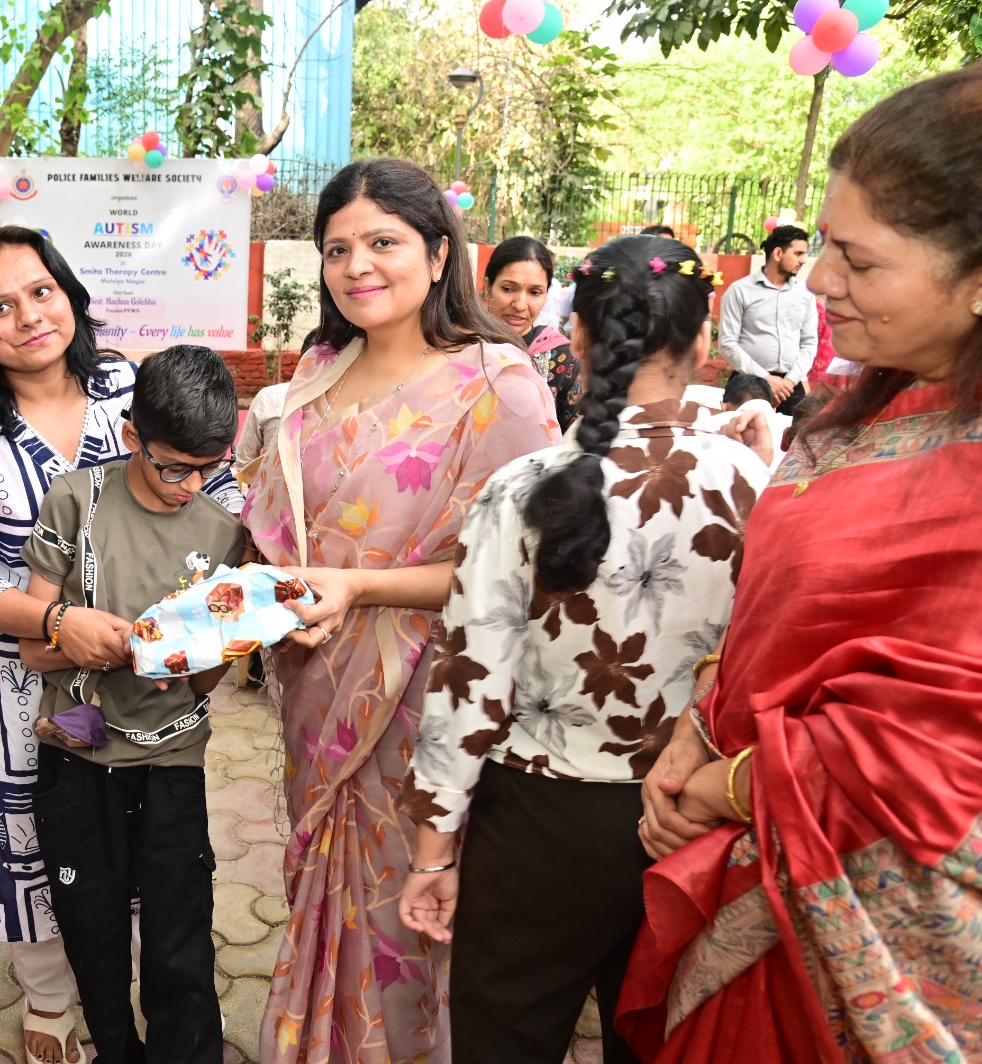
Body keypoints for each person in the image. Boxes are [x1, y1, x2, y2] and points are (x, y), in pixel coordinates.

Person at [623, 67, 982, 1061]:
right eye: (822, 243)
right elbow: (774, 612)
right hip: (747, 835)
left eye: (857, 259)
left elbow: (942, 749)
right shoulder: (866, 409)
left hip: (870, 912)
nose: (818, 279)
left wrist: (731, 787)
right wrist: (698, 726)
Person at [396, 235, 772, 1064]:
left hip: (537, 824)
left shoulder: (520, 490)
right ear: (705, 340)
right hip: (693, 817)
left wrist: (433, 850)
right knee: (665, 1040)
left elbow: (469, 681)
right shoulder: (759, 486)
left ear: (577, 338)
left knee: (504, 1039)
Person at [241, 158, 559, 1064]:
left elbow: (525, 569)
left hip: (426, 699)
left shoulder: (497, 383)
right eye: (337, 249)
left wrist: (362, 588)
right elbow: (278, 532)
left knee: (404, 910)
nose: (357, 266)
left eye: (382, 242)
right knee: (324, 879)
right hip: (317, 681)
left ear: (438, 252)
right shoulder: (318, 372)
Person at [0, 224, 239, 1064]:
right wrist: (59, 624)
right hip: (20, 674)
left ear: (70, 294)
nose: (30, 316)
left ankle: (150, 1001)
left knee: (151, 866)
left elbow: (219, 503)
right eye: (0, 306)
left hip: (153, 691)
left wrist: (196, 635)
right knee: (39, 849)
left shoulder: (127, 386)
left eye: (42, 291)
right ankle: (51, 998)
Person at [20, 344, 244, 1064]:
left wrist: (199, 655)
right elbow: (34, 648)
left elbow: (207, 683)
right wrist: (102, 644)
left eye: (207, 468)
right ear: (130, 436)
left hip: (173, 760)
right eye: (174, 467)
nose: (190, 485)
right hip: (78, 758)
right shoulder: (75, 502)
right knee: (95, 935)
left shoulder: (223, 534)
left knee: (181, 941)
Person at [483, 235, 583, 429]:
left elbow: (574, 436)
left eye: (535, 292)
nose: (520, 305)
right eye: (508, 289)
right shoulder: (458, 346)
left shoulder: (563, 359)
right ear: (488, 287)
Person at [718, 224, 816, 415]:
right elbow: (728, 343)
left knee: (792, 435)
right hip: (747, 385)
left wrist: (789, 381)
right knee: (742, 433)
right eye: (798, 254)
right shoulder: (740, 291)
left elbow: (809, 342)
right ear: (778, 253)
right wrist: (766, 379)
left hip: (791, 388)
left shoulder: (805, 293)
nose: (804, 260)